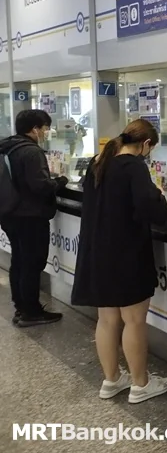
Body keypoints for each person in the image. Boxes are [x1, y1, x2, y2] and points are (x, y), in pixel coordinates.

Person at [71, 119, 167, 403]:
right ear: (146, 144)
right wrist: (160, 198)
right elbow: (149, 207)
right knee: (134, 320)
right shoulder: (133, 166)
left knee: (106, 319)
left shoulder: (98, 162)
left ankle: (112, 379)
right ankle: (141, 384)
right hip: (126, 253)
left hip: (98, 251)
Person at [0, 109, 68, 327]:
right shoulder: (31, 151)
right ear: (35, 129)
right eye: (45, 128)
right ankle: (31, 311)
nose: (46, 133)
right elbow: (41, 186)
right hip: (30, 215)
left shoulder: (8, 147)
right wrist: (60, 181)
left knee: (19, 260)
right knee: (32, 262)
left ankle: (21, 306)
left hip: (9, 212)